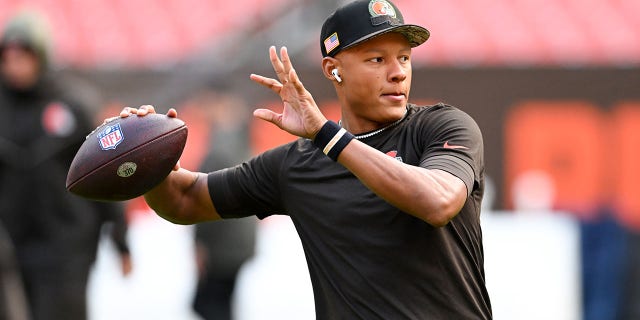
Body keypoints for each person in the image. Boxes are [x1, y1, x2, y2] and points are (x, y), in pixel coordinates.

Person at [120, 0, 491, 318]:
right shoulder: (297, 164)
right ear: (334, 70)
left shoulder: (444, 126)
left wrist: (327, 136)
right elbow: (184, 200)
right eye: (377, 59)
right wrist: (147, 158)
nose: (398, 73)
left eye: (405, 58)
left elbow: (439, 201)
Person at [0, 11, 132, 320]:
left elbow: (106, 173)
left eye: (23, 56)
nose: (14, 66)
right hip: (13, 245)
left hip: (67, 245)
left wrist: (121, 241)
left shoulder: (74, 105)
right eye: (8, 57)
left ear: (41, 56)